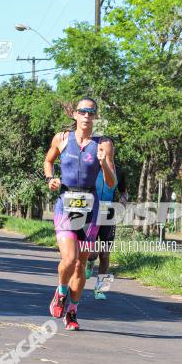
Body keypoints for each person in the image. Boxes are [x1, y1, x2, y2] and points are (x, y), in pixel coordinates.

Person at [44, 97, 116, 330]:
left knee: (81, 264)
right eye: (83, 111)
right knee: (69, 258)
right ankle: (61, 292)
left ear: (95, 117)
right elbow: (48, 160)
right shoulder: (62, 138)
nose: (87, 115)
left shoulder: (103, 144)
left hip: (90, 206)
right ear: (75, 114)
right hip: (66, 203)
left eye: (91, 112)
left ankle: (72, 313)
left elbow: (111, 181)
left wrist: (104, 164)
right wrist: (50, 179)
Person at [87, 165, 128, 299]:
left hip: (108, 212)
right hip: (91, 211)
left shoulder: (119, 171)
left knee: (105, 254)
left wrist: (123, 200)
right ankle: (90, 262)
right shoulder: (90, 166)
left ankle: (100, 289)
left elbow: (124, 191)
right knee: (90, 252)